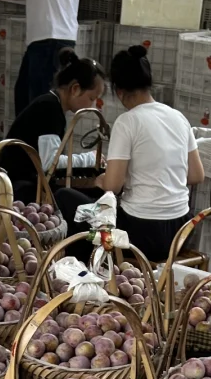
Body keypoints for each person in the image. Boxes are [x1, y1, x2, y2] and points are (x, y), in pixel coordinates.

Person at [61, 44, 203, 263]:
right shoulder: (178, 117)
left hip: (141, 233)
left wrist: (100, 180)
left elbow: (113, 186)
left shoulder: (127, 122)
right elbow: (196, 176)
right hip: (181, 230)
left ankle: (90, 272)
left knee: (66, 199)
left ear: (119, 91)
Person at [0, 49, 105, 198]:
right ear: (75, 89)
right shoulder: (49, 108)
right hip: (14, 186)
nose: (93, 106)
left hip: (25, 178)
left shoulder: (53, 105)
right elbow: (50, 162)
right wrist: (89, 159)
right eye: (91, 98)